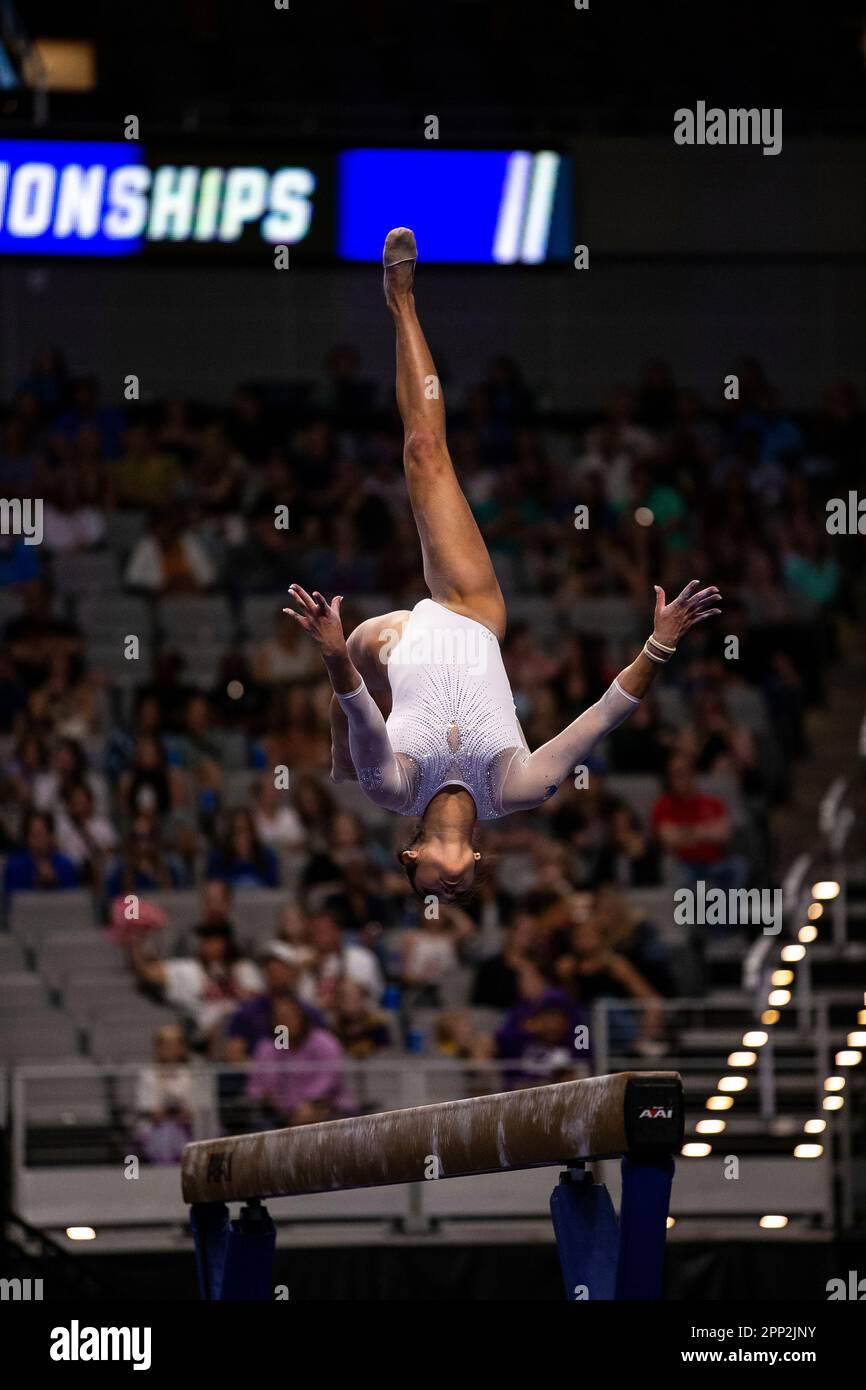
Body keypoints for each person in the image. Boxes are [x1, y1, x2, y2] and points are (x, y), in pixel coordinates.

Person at [286, 228, 722, 903]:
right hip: (470, 612)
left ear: (412, 853)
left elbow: (363, 710)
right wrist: (659, 645)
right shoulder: (515, 790)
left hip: (385, 645)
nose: (448, 888)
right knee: (427, 450)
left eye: (430, 887)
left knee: (353, 711)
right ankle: (406, 302)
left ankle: (395, 304)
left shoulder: (393, 787)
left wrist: (334, 658)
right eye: (459, 892)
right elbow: (599, 720)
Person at [246, 992, 356, 1125]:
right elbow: (257, 1087)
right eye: (280, 1019)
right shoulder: (269, 1047)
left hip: (328, 1109)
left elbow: (329, 1080)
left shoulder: (323, 1041)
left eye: (289, 1017)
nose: (285, 1023)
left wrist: (307, 1104)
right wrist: (263, 1095)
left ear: (301, 1017)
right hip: (282, 1115)